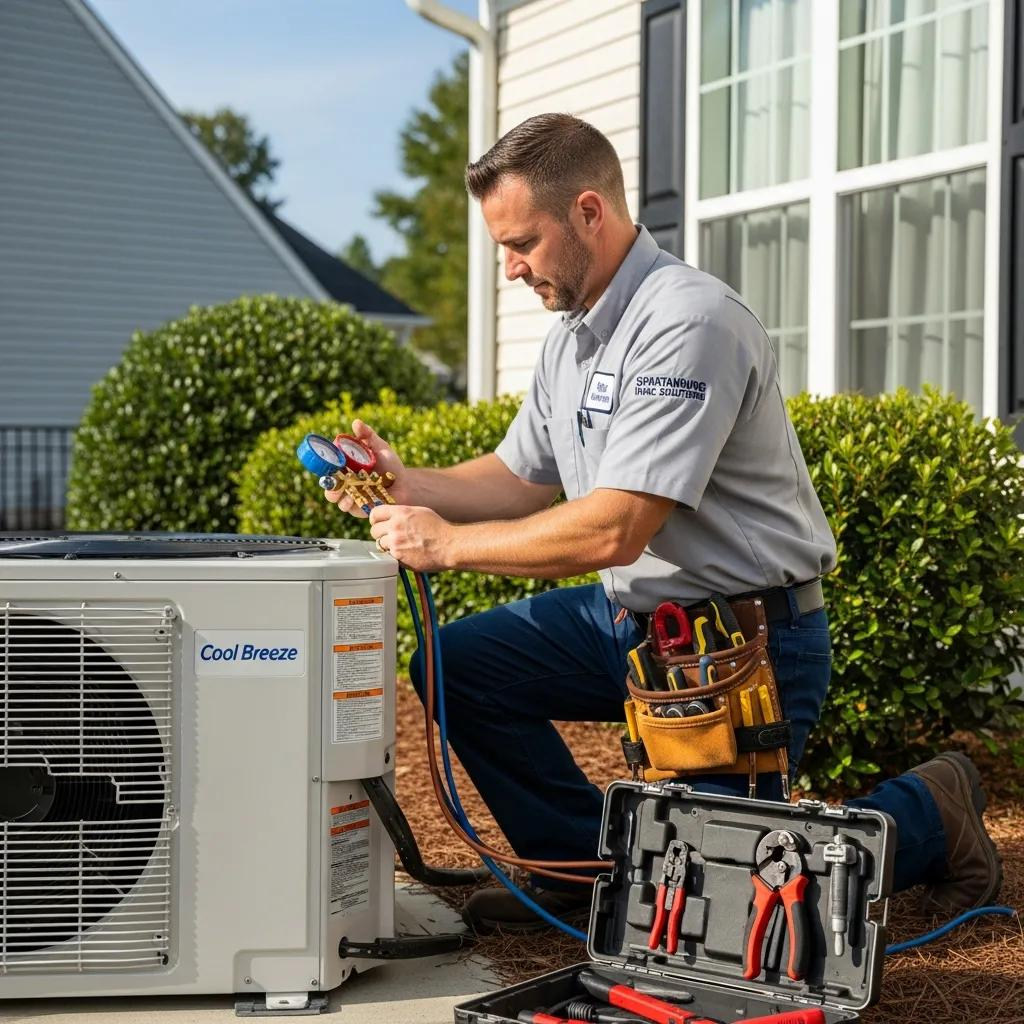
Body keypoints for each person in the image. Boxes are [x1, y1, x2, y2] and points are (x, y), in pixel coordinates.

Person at [325, 114, 1002, 934]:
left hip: (744, 650)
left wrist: (447, 546)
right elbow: (516, 480)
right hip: (636, 629)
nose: (509, 268)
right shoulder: (573, 337)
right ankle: (585, 868)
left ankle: (929, 810)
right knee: (458, 662)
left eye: (522, 242)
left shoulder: (688, 322)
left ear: (587, 212)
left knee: (727, 913)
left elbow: (615, 531)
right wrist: (404, 481)